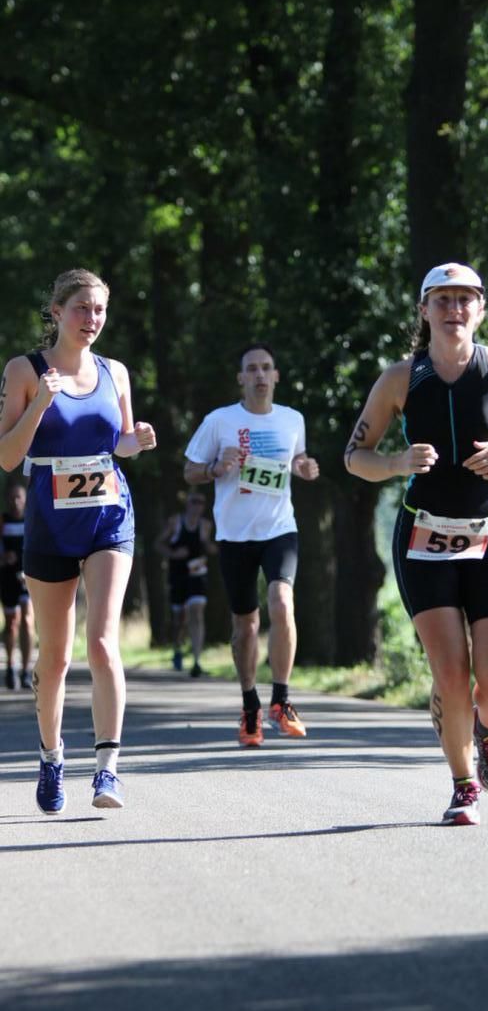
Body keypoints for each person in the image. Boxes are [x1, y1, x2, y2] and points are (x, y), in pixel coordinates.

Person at [344, 263, 488, 826]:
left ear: (480, 309)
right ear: (424, 310)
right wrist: (396, 462)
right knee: (451, 676)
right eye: (442, 300)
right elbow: (353, 456)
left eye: (465, 299)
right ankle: (464, 785)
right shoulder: (400, 378)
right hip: (424, 535)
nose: (454, 309)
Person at [0, 268, 157, 814]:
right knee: (55, 658)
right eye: (82, 309)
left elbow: (120, 440)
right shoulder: (25, 369)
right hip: (49, 521)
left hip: (110, 516)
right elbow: (6, 456)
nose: (92, 320)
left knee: (102, 642)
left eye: (99, 311)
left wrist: (135, 443)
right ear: (57, 311)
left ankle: (107, 770)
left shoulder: (115, 372)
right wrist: (41, 403)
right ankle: (51, 757)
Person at [183, 343, 319, 745]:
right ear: (241, 378)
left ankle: (282, 700)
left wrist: (305, 467)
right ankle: (249, 706)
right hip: (234, 535)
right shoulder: (220, 421)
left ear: (276, 376)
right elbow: (189, 469)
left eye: (266, 368)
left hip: (279, 530)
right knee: (246, 626)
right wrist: (214, 468)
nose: (260, 375)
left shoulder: (292, 419)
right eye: (251, 369)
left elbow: (298, 460)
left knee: (281, 601)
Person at [156, 491, 215, 677]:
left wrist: (211, 546)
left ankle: (197, 660)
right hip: (178, 574)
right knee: (179, 617)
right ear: (187, 504)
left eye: (201, 502)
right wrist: (173, 554)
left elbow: (212, 548)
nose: (197, 506)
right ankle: (178, 649)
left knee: (197, 612)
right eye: (194, 501)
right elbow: (158, 544)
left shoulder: (206, 526)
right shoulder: (176, 522)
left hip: (197, 574)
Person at [1, 482, 35, 690]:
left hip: (29, 576)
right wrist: (4, 557)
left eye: (19, 497)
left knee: (28, 620)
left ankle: (26, 670)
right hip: (6, 577)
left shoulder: (32, 520)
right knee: (12, 622)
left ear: (25, 500)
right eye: (12, 497)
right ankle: (11, 666)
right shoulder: (3, 521)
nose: (15, 502)